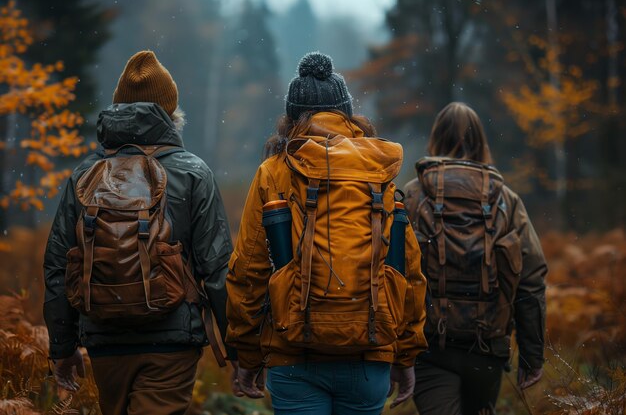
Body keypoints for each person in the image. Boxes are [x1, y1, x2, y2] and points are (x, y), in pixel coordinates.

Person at [225, 52, 428, 415]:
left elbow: (250, 269)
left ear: (290, 118)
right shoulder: (378, 172)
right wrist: (406, 353)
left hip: (293, 353)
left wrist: (248, 353)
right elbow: (407, 269)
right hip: (369, 349)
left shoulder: (273, 172)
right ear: (347, 113)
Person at [43, 50, 236, 415]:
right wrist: (240, 353)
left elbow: (57, 265)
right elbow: (218, 268)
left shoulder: (85, 175)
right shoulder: (193, 172)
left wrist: (63, 348)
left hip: (104, 338)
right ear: (171, 113)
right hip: (172, 339)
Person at [403, 102, 548, 415]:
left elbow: (389, 273)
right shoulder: (507, 201)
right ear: (481, 141)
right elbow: (531, 280)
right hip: (487, 350)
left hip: (430, 350)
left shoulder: (413, 196)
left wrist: (391, 355)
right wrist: (531, 356)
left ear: (435, 139)